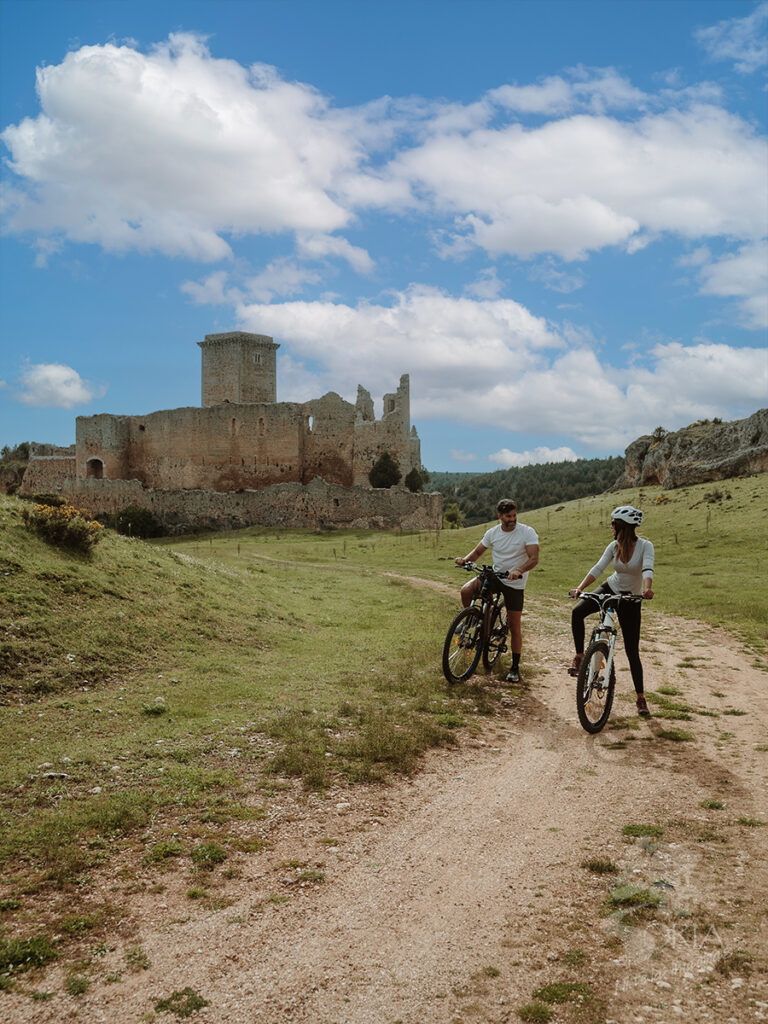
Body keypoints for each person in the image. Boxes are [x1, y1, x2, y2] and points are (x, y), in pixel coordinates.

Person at [568, 505, 654, 716]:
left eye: (613, 523)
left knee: (632, 651)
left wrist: (647, 589)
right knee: (577, 612)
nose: (611, 527)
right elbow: (598, 568)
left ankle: (640, 698)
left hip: (631, 598)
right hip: (611, 588)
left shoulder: (645, 546)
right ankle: (580, 656)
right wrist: (580, 588)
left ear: (621, 526)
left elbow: (647, 569)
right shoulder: (613, 547)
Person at [455, 498, 539, 683]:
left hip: (514, 583)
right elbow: (477, 552)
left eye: (514, 515)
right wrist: (465, 560)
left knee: (514, 626)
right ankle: (472, 621)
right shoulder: (493, 532)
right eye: (508, 516)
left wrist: (519, 570)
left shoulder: (527, 532)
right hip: (495, 576)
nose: (513, 519)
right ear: (499, 516)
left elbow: (534, 558)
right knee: (466, 591)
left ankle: (515, 668)